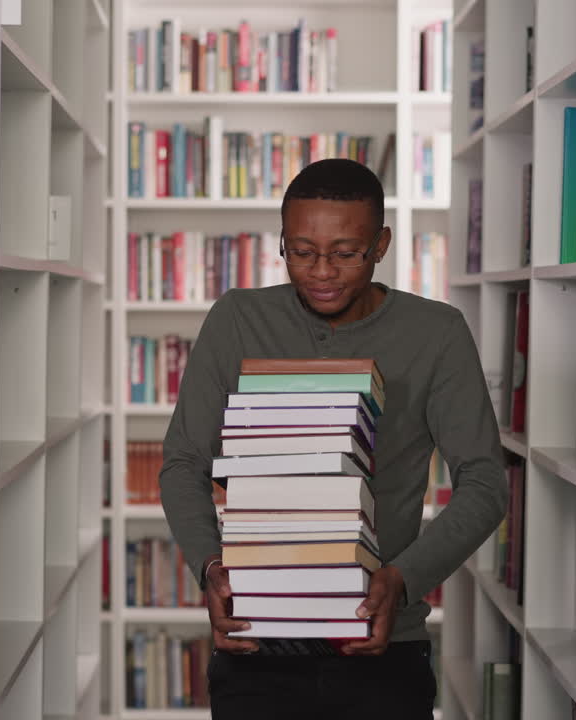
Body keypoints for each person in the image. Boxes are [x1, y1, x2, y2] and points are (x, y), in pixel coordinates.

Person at [159, 158, 508, 719]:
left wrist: (401, 581)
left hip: (384, 644)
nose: (321, 271)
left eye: (346, 253)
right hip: (255, 642)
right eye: (300, 251)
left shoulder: (437, 332)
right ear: (281, 242)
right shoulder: (236, 319)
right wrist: (209, 568)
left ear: (381, 245)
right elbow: (182, 462)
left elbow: (486, 483)